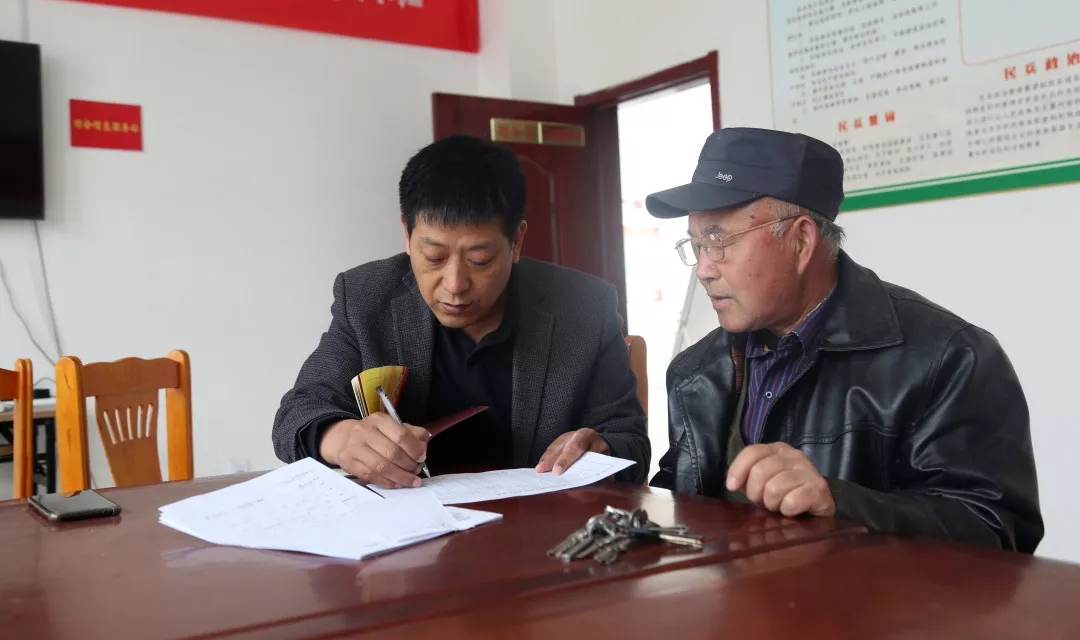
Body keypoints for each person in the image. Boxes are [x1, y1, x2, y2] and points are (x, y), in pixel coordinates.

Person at [645, 127, 1043, 553]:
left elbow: (998, 530)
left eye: (718, 241)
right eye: (696, 244)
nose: (704, 270)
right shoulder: (696, 372)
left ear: (801, 241)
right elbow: (677, 503)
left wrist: (841, 505)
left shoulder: (949, 358)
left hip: (870, 597)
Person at [273, 134, 649, 488]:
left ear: (517, 241)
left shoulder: (584, 307)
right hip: (410, 526)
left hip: (537, 525)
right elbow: (297, 412)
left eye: (480, 260)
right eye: (434, 257)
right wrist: (342, 439)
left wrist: (601, 449)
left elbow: (630, 442)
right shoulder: (368, 298)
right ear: (407, 234)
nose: (454, 284)